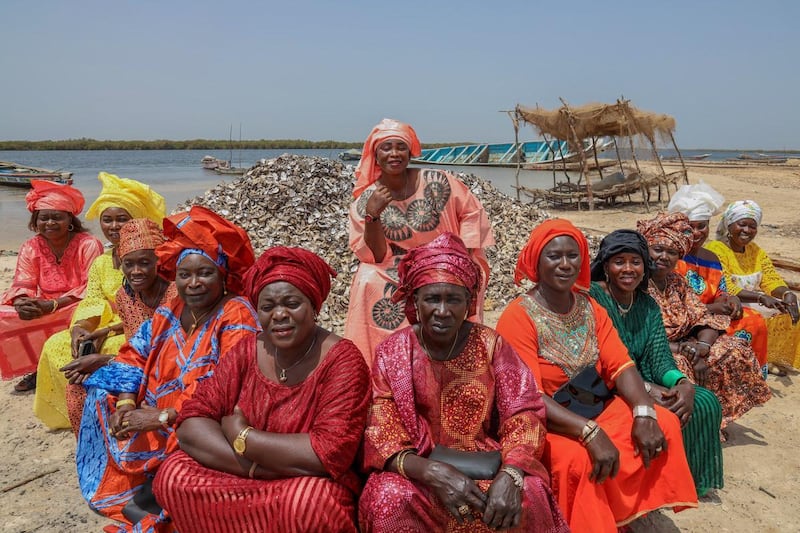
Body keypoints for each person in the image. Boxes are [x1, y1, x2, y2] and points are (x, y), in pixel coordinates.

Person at [495, 219, 697, 532]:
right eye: (554, 257)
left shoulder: (590, 307)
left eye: (573, 256)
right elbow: (529, 395)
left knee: (664, 423)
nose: (565, 265)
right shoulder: (517, 316)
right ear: (536, 261)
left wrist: (643, 413)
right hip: (546, 418)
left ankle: (621, 513)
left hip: (595, 404)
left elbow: (621, 365)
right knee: (579, 460)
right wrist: (589, 432)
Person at [359, 232, 568, 533]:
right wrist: (433, 472)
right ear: (415, 300)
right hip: (420, 472)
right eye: (432, 298)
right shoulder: (393, 352)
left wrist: (511, 474)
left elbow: (524, 412)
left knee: (529, 493)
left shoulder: (491, 345)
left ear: (469, 301)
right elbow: (381, 430)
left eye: (453, 299)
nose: (442, 311)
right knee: (388, 496)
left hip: (488, 465)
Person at [154, 247, 370, 532]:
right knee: (172, 475)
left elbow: (328, 454)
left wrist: (245, 437)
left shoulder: (342, 360)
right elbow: (192, 422)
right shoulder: (246, 351)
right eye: (267, 307)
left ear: (314, 307)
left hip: (302, 483)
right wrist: (254, 467)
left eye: (291, 304)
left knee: (310, 502)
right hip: (245, 471)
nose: (279, 315)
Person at [75, 206, 259, 532]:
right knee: (99, 391)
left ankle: (160, 486)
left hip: (198, 419)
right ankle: (138, 481)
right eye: (184, 274)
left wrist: (160, 416)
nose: (193, 283)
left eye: (205, 273)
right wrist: (127, 404)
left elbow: (228, 387)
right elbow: (135, 353)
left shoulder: (236, 314)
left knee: (193, 444)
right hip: (151, 406)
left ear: (224, 276)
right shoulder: (173, 309)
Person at [344, 118, 495, 366]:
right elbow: (376, 256)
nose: (394, 153)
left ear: (410, 151)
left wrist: (462, 256)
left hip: (445, 259)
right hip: (397, 268)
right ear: (376, 154)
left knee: (462, 276)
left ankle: (457, 359)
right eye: (386, 147)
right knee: (366, 277)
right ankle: (381, 361)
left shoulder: (439, 181)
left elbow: (471, 212)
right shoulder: (365, 200)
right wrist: (373, 215)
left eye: (400, 147)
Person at [588, 229, 724, 496]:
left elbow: (660, 356)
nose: (628, 269)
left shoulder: (647, 304)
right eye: (619, 262)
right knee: (665, 409)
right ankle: (652, 485)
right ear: (606, 266)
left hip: (645, 376)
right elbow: (600, 361)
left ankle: (689, 480)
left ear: (644, 266)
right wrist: (649, 390)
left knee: (704, 401)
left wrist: (682, 383)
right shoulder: (594, 298)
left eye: (635, 262)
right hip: (610, 383)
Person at [34, 172, 166, 430]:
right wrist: (82, 328)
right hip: (106, 324)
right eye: (107, 220)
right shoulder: (103, 262)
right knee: (58, 345)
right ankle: (83, 415)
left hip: (140, 330)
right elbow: (93, 299)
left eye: (122, 219)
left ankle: (123, 407)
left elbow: (154, 314)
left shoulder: (155, 258)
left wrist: (105, 331)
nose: (114, 226)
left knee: (111, 349)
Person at [638, 212, 771, 431]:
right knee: (680, 365)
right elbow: (640, 336)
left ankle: (715, 418)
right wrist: (684, 349)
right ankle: (688, 427)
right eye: (658, 250)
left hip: (687, 344)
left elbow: (703, 316)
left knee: (735, 349)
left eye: (671, 252)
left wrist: (702, 347)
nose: (664, 257)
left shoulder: (676, 282)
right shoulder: (638, 284)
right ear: (646, 251)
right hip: (656, 349)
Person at [60, 218, 178, 435]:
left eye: (144, 263)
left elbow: (167, 355)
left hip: (170, 373)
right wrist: (105, 350)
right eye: (128, 263)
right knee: (77, 387)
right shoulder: (125, 296)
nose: (135, 271)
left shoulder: (175, 295)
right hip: (134, 369)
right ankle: (99, 455)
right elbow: (133, 347)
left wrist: (104, 361)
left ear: (159, 261)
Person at [0, 180, 103, 392]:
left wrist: (55, 305)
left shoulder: (88, 244)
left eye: (57, 217)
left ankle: (75, 366)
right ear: (35, 222)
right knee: (6, 315)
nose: (50, 223)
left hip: (80, 304)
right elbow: (23, 281)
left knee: (79, 315)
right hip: (45, 305)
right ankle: (38, 368)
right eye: (43, 218)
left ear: (70, 220)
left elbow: (93, 286)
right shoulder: (30, 246)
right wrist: (22, 302)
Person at [668, 183, 770, 376]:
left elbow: (721, 290)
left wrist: (730, 299)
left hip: (713, 318)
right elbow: (671, 306)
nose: (697, 232)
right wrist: (711, 309)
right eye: (690, 227)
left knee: (754, 320)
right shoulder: (672, 258)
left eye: (702, 226)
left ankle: (750, 377)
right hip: (684, 323)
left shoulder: (711, 258)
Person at [705, 200, 800, 372]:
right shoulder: (716, 249)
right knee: (755, 315)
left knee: (791, 306)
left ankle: (769, 358)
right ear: (729, 224)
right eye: (742, 224)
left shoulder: (755, 251)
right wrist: (761, 297)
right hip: (728, 302)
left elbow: (770, 278)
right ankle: (751, 360)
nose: (747, 230)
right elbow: (725, 286)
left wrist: (787, 293)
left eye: (752, 226)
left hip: (752, 299)